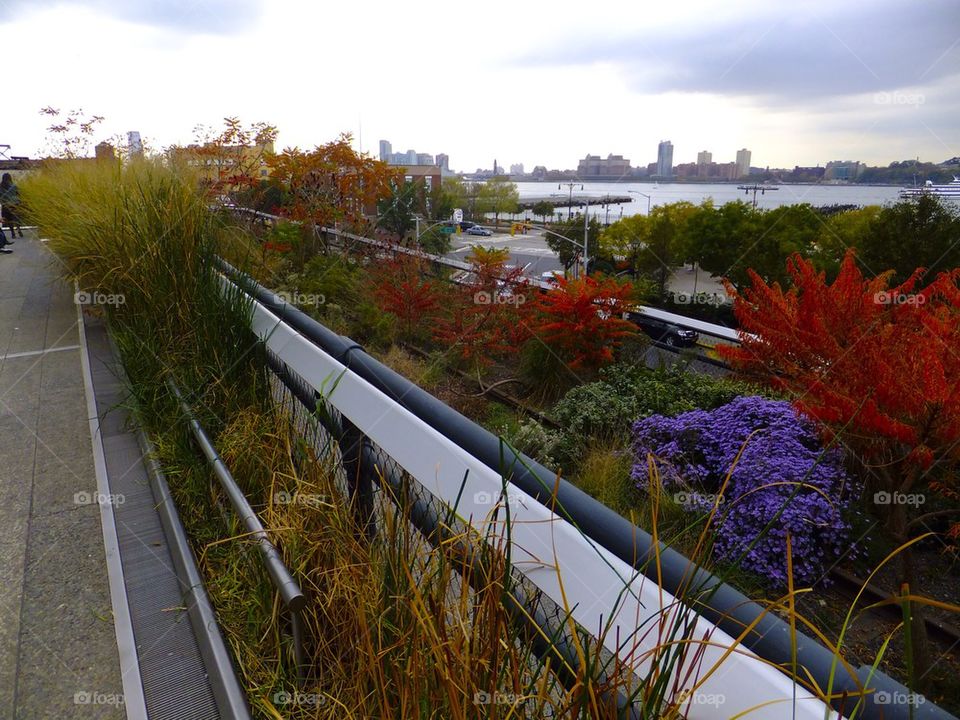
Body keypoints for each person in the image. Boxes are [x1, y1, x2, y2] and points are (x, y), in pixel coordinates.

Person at [0, 173, 23, 251]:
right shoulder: (14, 186)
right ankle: (19, 230)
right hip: (15, 204)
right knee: (16, 218)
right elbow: (19, 194)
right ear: (10, 178)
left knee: (8, 219)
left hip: (5, 205)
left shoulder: (0, 187)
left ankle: (13, 233)